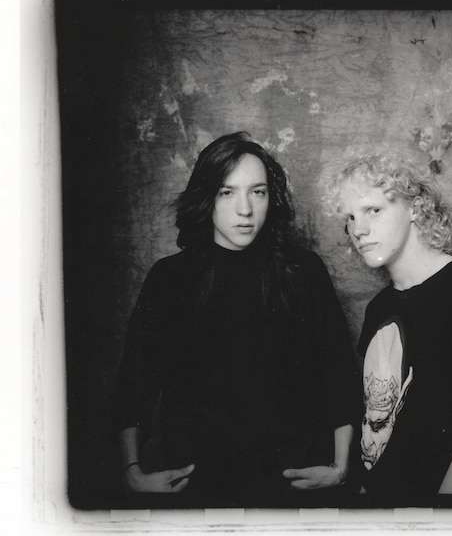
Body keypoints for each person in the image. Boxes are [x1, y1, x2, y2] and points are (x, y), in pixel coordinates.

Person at [111, 133, 360, 507]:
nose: (245, 209)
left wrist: (341, 468)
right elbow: (133, 384)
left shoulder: (302, 271)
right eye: (228, 192)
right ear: (207, 198)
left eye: (257, 192)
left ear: (270, 198)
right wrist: (132, 472)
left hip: (290, 486)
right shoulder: (169, 278)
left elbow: (338, 374)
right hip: (196, 488)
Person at [321, 148, 452, 506]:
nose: (358, 230)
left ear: (413, 207)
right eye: (349, 217)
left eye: (373, 210)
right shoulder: (381, 307)